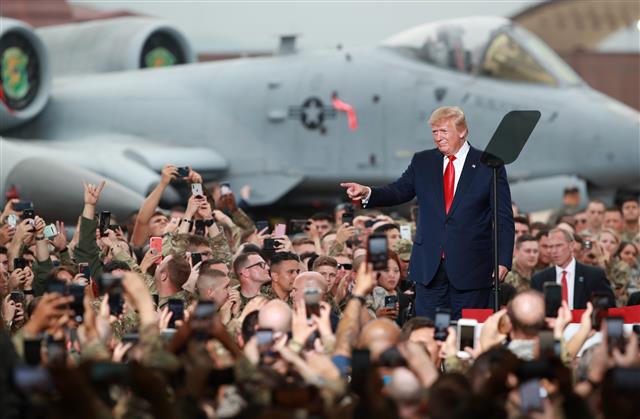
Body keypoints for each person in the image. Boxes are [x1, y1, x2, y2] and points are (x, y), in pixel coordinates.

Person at [341, 106, 514, 319]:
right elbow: (398, 191)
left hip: (472, 269)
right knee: (426, 329)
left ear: (462, 131)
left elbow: (503, 217)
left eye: (444, 131)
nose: (438, 138)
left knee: (468, 332)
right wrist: (367, 192)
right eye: (434, 132)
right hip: (429, 268)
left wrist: (503, 259)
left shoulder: (489, 165)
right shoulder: (423, 162)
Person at [530, 228, 614, 309]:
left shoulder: (594, 275)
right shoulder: (538, 280)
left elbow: (607, 307)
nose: (554, 251)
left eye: (559, 245)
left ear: (571, 246)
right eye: (551, 247)